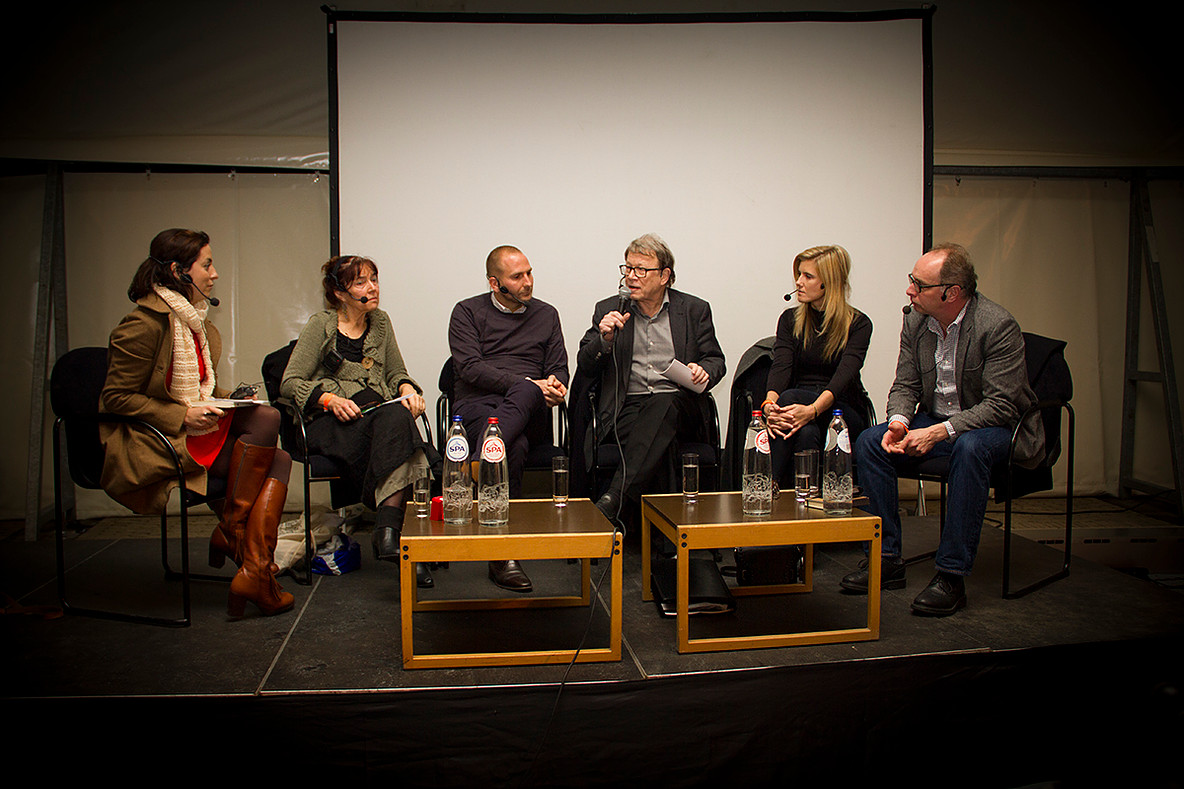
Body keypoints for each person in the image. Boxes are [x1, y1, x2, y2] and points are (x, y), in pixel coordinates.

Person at [100, 228, 294, 618]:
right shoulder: (142, 325)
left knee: (276, 448)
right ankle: (242, 549)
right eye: (207, 264)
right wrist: (182, 415)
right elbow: (114, 398)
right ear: (179, 271)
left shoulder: (195, 325)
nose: (215, 273)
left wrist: (231, 400)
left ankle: (244, 553)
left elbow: (196, 388)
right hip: (160, 440)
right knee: (271, 430)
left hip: (196, 432)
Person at [846, 243, 1044, 616]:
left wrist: (938, 433)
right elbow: (905, 384)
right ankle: (886, 559)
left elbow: (1001, 405)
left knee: (970, 448)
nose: (909, 291)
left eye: (918, 285)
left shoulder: (996, 325)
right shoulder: (916, 319)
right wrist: (900, 422)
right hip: (937, 420)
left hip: (998, 427)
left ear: (951, 293)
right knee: (871, 441)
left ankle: (951, 575)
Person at [280, 255, 434, 587]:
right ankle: (396, 539)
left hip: (373, 417)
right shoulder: (319, 325)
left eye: (374, 279)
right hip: (331, 421)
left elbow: (395, 373)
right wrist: (329, 399)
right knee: (408, 441)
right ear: (339, 292)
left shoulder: (381, 322)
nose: (372, 287)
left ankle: (389, 536)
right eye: (361, 282)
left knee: (396, 415)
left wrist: (407, 388)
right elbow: (289, 382)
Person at [577, 233, 726, 523]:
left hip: (682, 406)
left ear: (664, 276)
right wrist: (604, 340)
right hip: (627, 408)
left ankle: (615, 498)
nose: (631, 277)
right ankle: (669, 551)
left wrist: (703, 369)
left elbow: (716, 360)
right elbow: (585, 366)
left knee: (665, 403)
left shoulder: (694, 310)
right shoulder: (609, 308)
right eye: (627, 268)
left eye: (641, 270)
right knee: (661, 443)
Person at [448, 245, 569, 593]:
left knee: (525, 400)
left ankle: (480, 456)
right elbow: (469, 368)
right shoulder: (467, 312)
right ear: (494, 283)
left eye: (529, 273)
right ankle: (504, 554)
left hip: (530, 410)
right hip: (479, 406)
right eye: (517, 276)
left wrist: (556, 385)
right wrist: (527, 385)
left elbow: (558, 367)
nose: (528, 282)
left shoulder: (547, 314)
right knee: (510, 450)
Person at [762, 245, 872, 486]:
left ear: (829, 283)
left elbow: (843, 378)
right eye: (799, 274)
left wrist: (811, 410)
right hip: (799, 408)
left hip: (842, 408)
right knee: (806, 431)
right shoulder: (790, 320)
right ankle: (804, 500)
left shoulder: (859, 324)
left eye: (808, 276)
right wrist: (770, 406)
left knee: (792, 400)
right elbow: (781, 367)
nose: (799, 282)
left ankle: (768, 487)